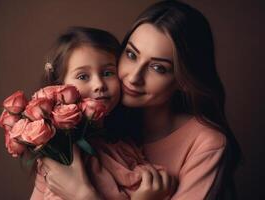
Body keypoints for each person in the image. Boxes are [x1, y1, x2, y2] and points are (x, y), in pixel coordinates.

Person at [38, 1, 242, 199]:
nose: (134, 77)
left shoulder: (206, 143)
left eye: (158, 68)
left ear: (184, 81)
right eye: (131, 54)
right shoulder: (89, 127)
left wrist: (83, 196)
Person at [30, 27, 176, 200]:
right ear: (59, 87)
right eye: (83, 77)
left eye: (108, 73)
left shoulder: (123, 144)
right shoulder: (62, 156)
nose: (99, 84)